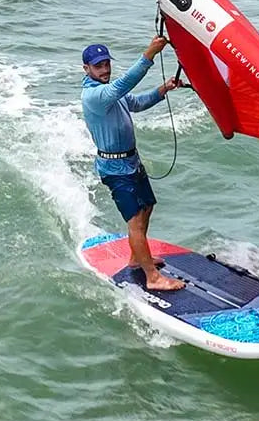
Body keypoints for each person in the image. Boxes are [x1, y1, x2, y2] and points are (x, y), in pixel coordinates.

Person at [80, 36, 188, 291]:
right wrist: (149, 54)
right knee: (135, 221)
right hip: (115, 170)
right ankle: (153, 278)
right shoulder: (95, 95)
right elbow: (122, 86)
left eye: (106, 64)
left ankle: (136, 259)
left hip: (131, 161)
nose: (104, 70)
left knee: (147, 206)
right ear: (86, 69)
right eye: (98, 66)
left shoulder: (110, 93)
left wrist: (164, 89)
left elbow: (136, 102)